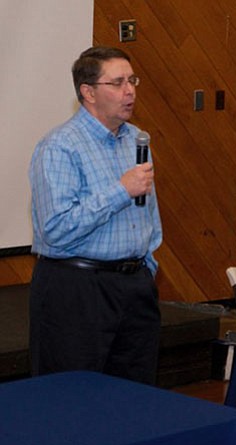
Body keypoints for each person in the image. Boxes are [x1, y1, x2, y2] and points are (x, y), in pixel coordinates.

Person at [29, 46, 162, 384]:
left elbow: (149, 216)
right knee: (72, 396)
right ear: (88, 92)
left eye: (132, 80)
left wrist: (146, 266)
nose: (129, 90)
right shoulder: (60, 146)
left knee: (135, 394)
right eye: (117, 83)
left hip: (134, 287)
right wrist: (121, 190)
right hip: (77, 289)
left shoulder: (136, 139)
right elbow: (55, 229)